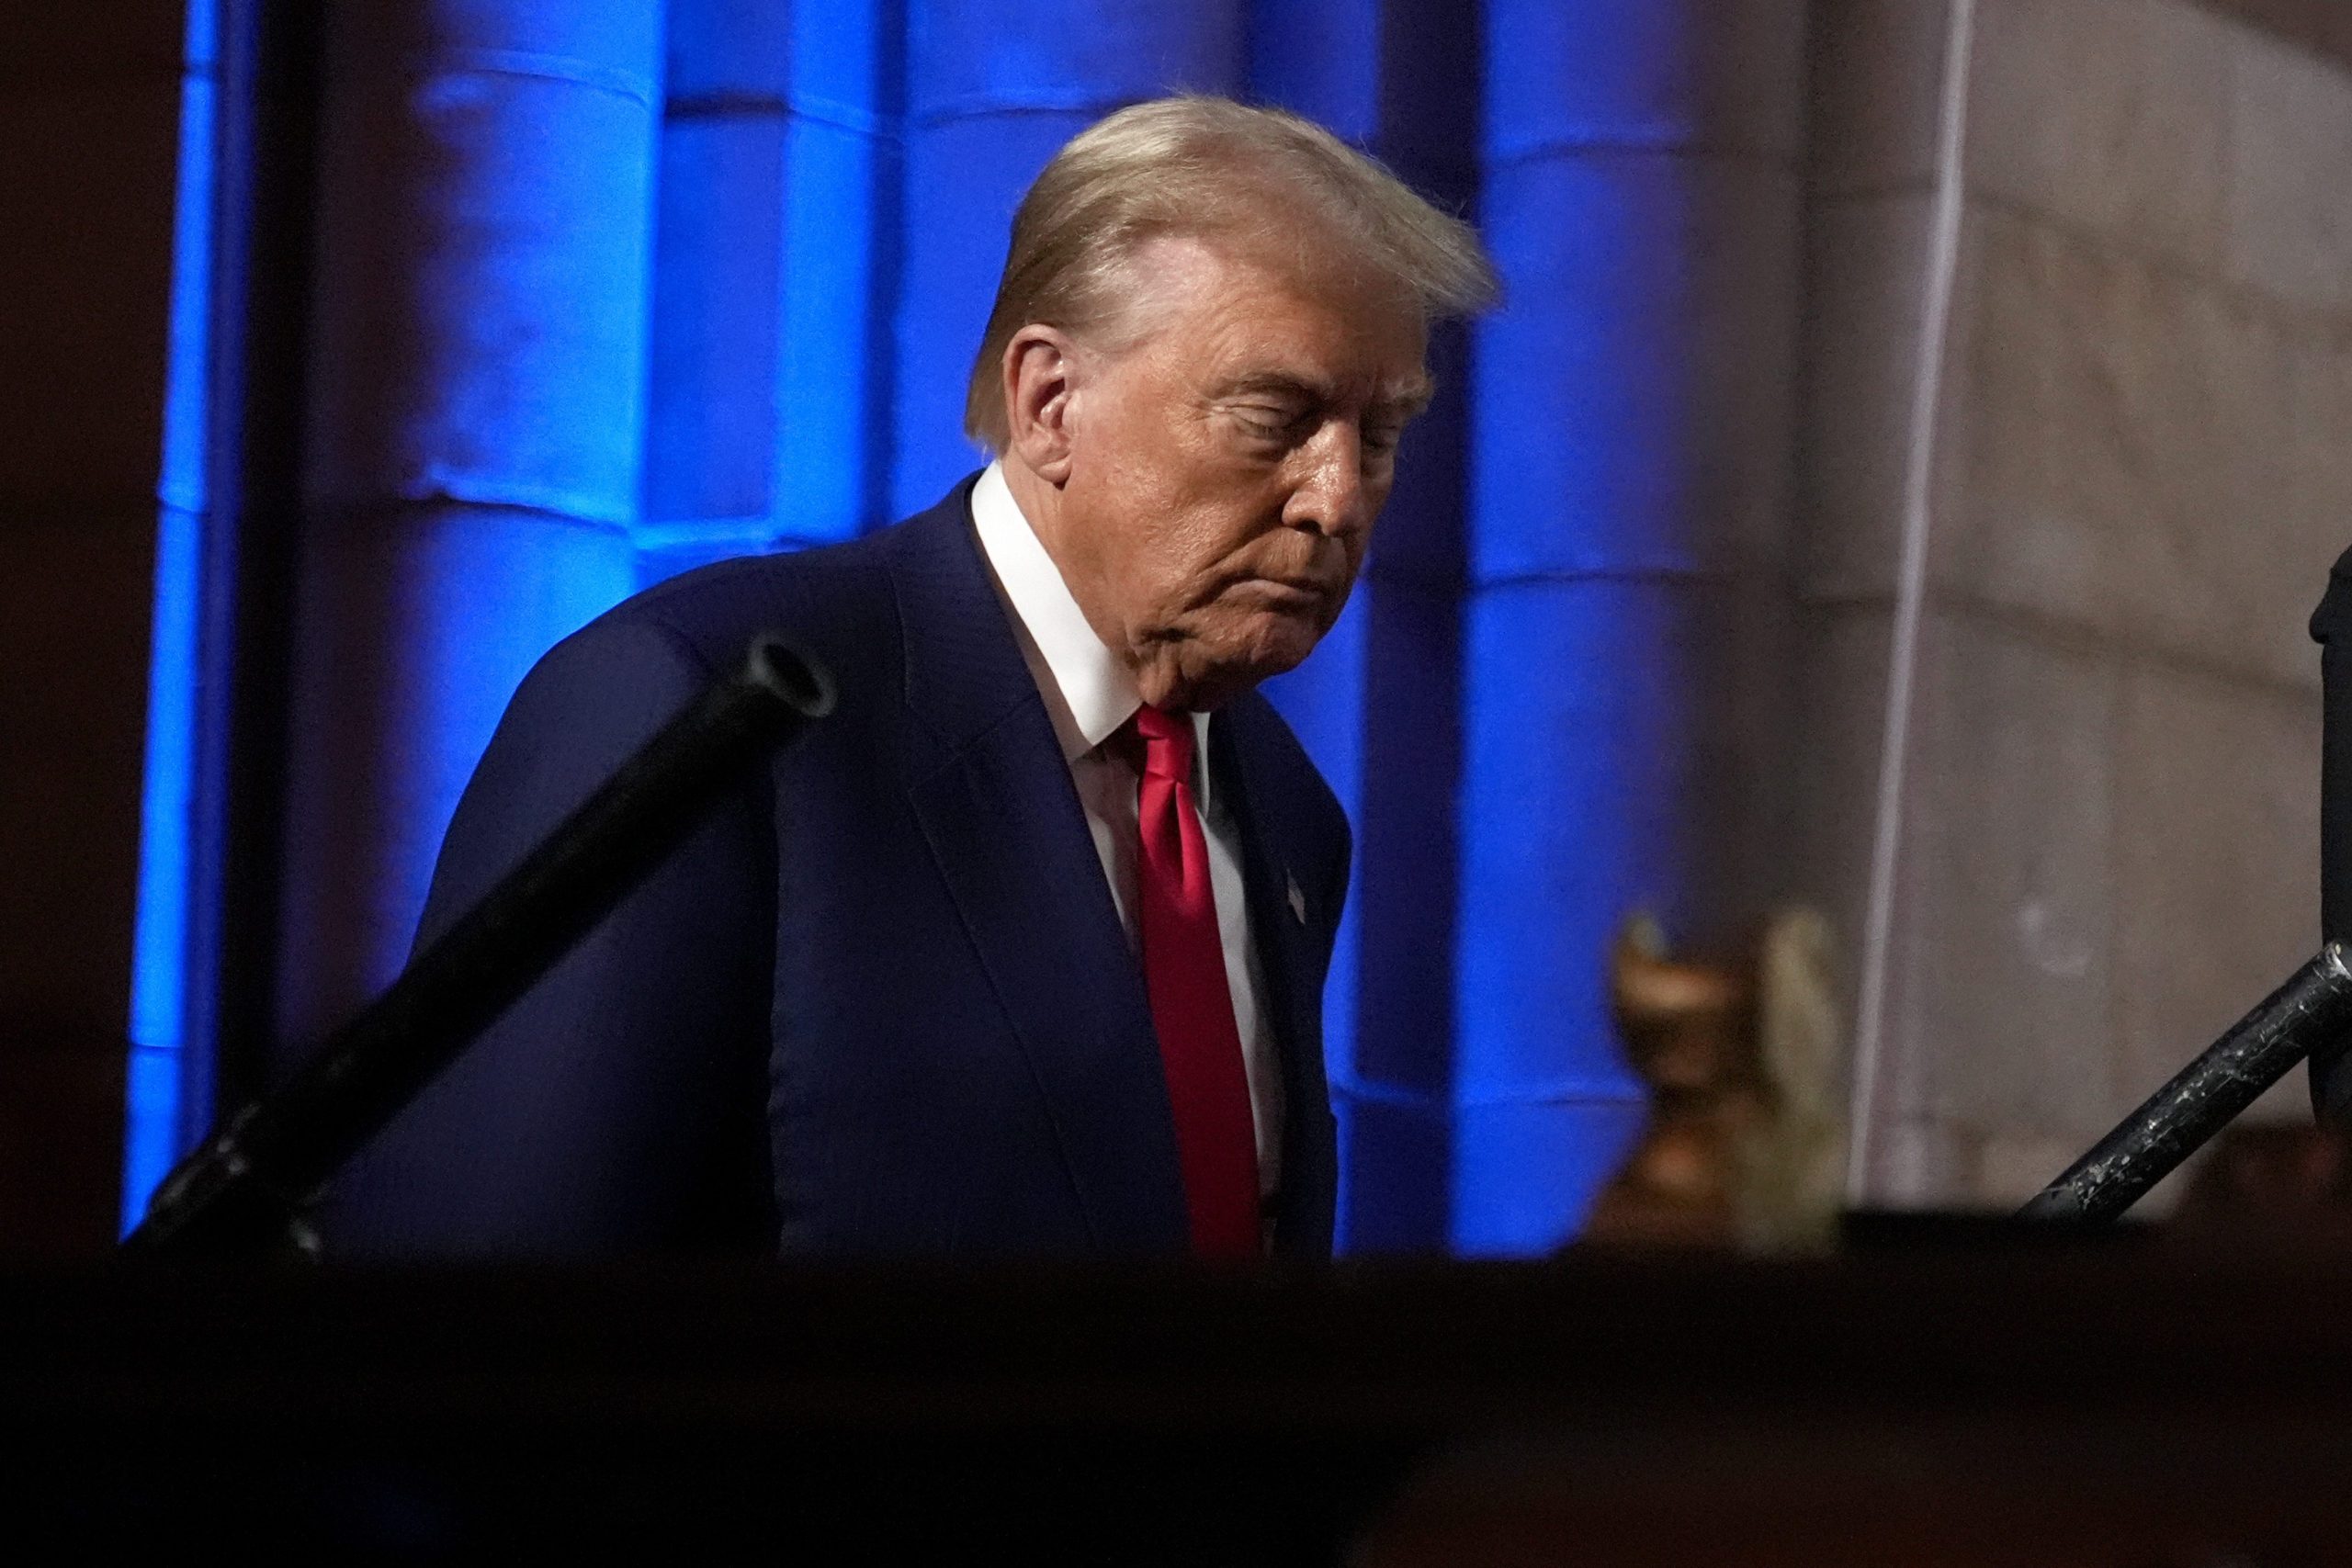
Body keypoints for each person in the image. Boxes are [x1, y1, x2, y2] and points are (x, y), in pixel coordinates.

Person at [322, 96, 1497, 1260]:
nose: (1336, 499)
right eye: (1270, 417)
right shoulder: (705, 709)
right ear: (1049, 404)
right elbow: (471, 1324)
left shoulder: (1287, 814)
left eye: (1379, 435)